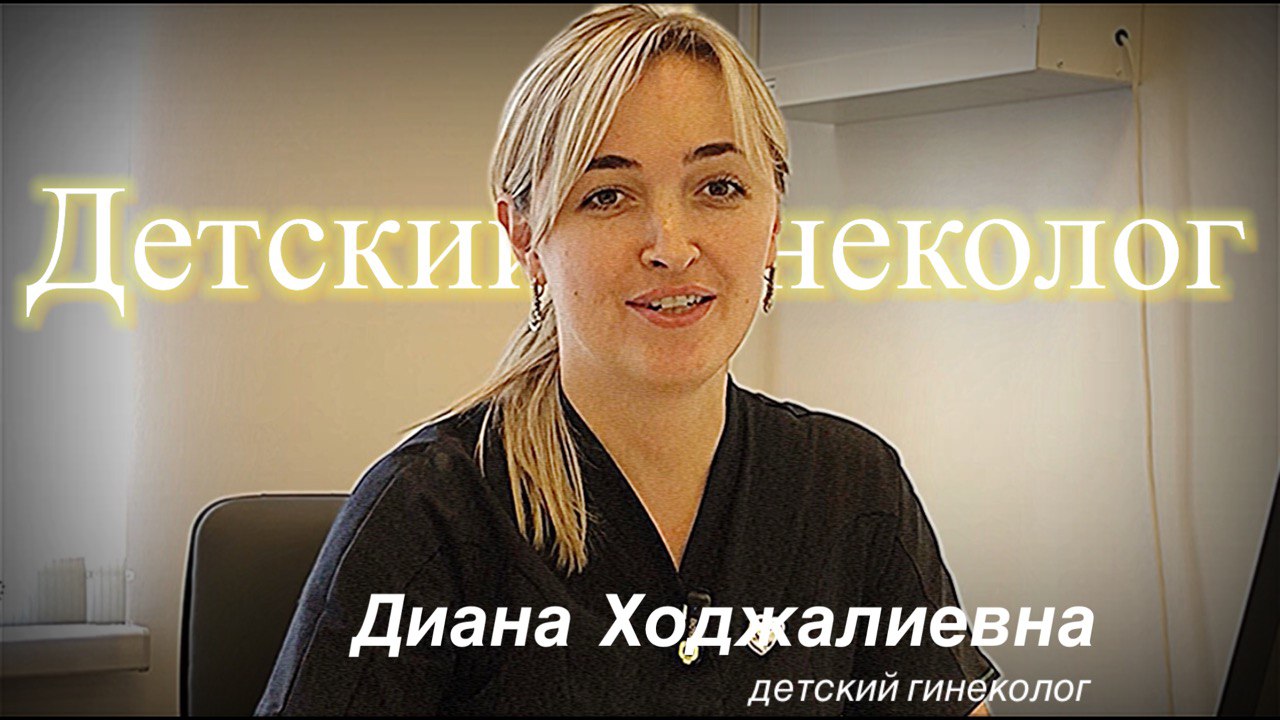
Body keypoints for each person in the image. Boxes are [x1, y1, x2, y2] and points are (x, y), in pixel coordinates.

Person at [257, 4, 997, 715]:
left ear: (772, 222)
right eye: (608, 195)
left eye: (719, 187)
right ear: (525, 238)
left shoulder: (852, 487)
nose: (671, 246)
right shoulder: (429, 514)